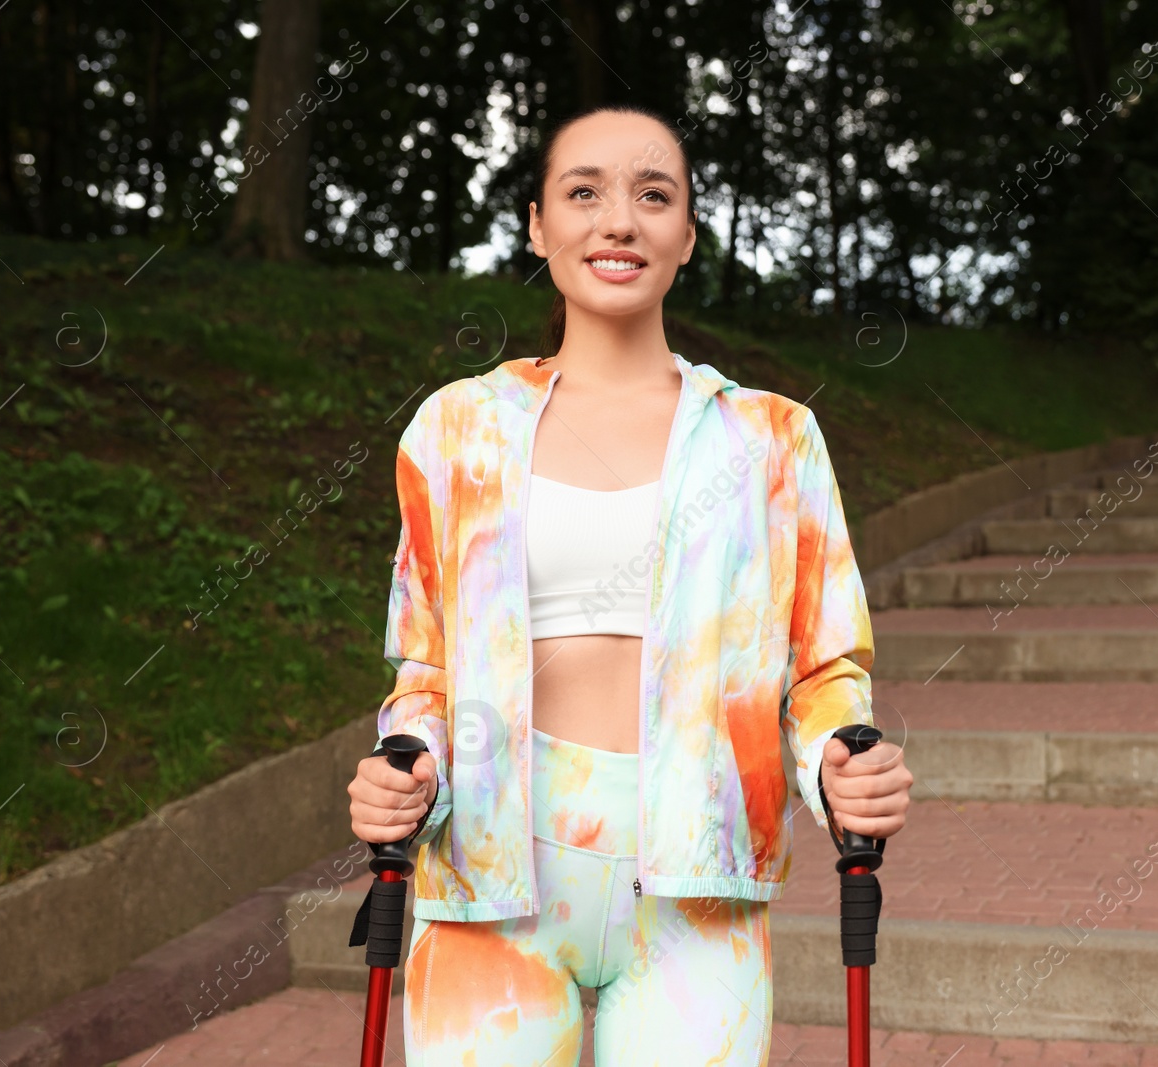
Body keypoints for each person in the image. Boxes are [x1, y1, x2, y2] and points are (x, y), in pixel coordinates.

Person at [346, 103, 913, 1066]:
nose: (619, 221)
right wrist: (411, 766)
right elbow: (428, 664)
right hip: (493, 879)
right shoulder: (455, 432)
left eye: (654, 196)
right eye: (585, 193)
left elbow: (824, 670)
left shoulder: (773, 440)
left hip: (699, 889)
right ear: (537, 224)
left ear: (687, 235)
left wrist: (835, 767)